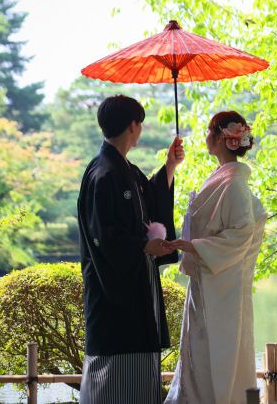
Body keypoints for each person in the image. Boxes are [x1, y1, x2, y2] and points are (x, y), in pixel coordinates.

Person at [77, 94, 185, 404]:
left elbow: (149, 197)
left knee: (138, 378)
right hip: (114, 293)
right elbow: (103, 235)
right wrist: (143, 245)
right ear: (133, 126)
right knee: (112, 375)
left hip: (137, 286)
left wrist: (170, 166)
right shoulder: (103, 173)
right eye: (141, 123)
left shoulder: (123, 169)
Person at [164, 111, 267, 404]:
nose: (206, 137)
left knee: (217, 355)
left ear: (222, 137)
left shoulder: (234, 184)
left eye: (209, 131)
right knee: (198, 353)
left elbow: (241, 234)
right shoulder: (224, 179)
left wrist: (194, 245)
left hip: (223, 289)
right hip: (208, 280)